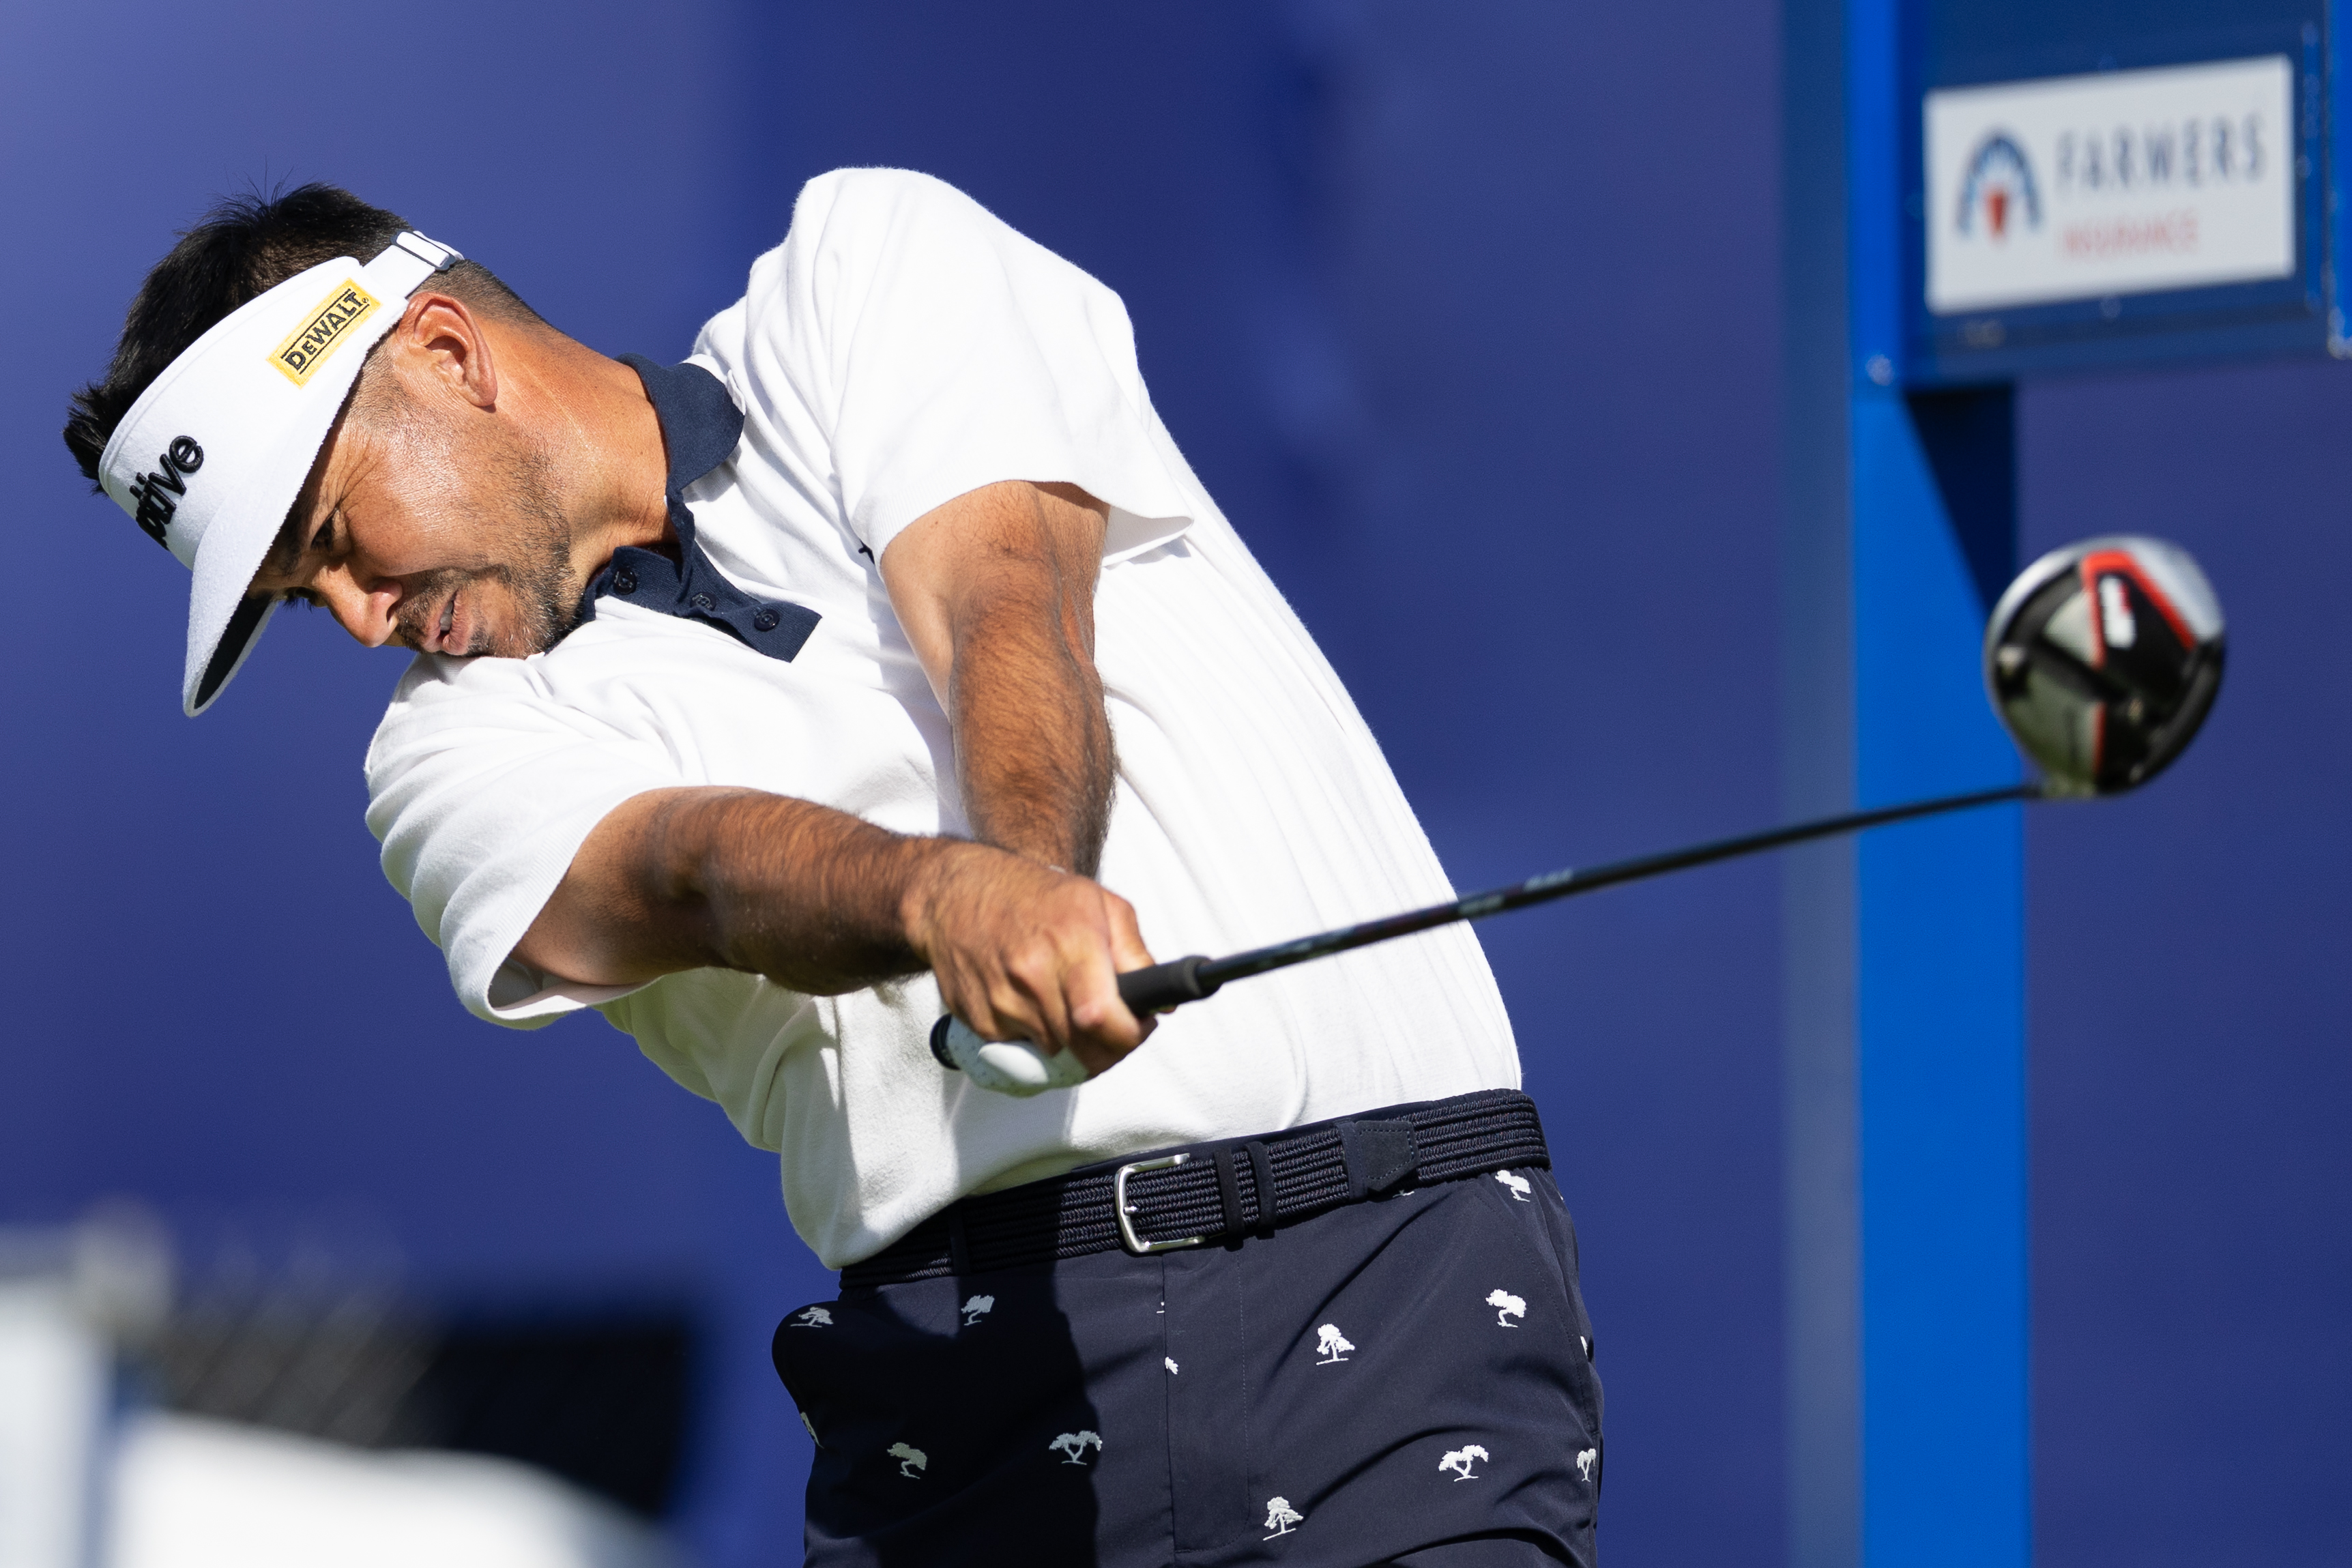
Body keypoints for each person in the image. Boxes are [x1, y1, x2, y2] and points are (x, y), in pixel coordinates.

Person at [66, 171, 1602, 1565]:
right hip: (971, 1385)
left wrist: (1019, 872)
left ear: (451, 359)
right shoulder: (436, 760)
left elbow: (1005, 595)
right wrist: (945, 903)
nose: (355, 615)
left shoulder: (860, 268)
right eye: (301, 594)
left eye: (338, 536)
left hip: (1391, 1274)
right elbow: (688, 870)